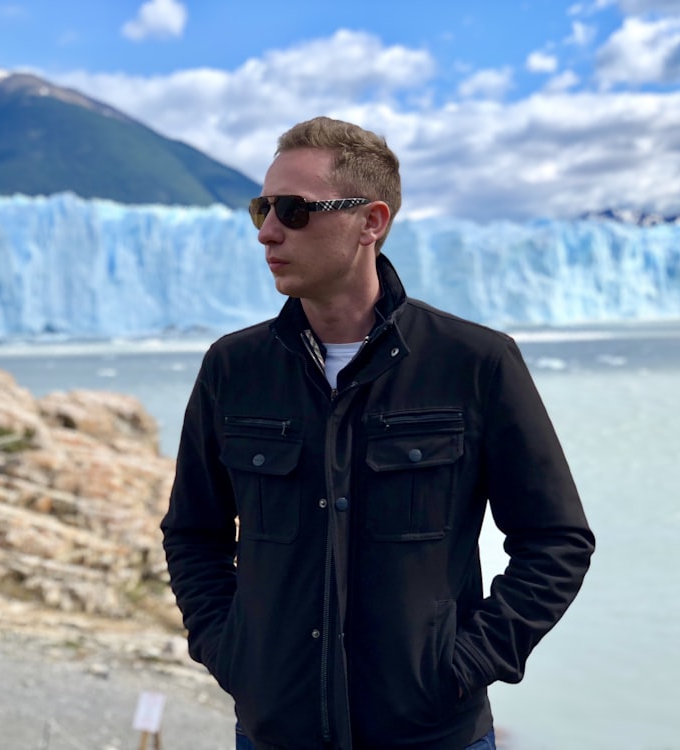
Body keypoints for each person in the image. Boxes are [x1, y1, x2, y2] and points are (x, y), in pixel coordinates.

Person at [161, 116, 595, 750]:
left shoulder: (474, 363)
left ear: (371, 222)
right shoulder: (234, 368)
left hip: (433, 736)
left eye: (292, 209)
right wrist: (232, 653)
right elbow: (193, 534)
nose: (266, 231)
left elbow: (557, 540)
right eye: (261, 207)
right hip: (276, 733)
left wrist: (463, 667)